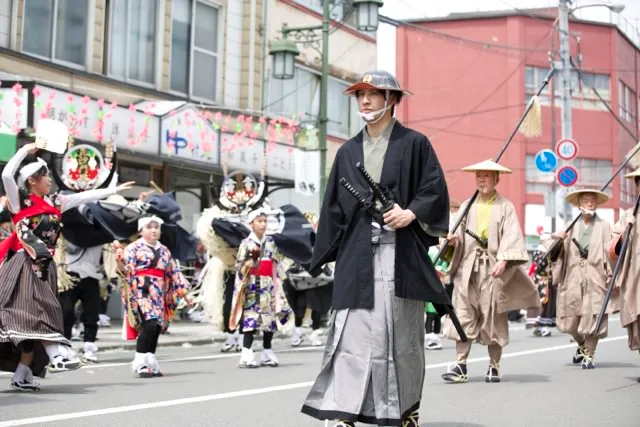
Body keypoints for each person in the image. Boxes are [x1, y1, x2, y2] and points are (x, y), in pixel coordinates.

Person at [301, 70, 451, 427]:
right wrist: (319, 255)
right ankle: (343, 410)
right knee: (349, 331)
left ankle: (404, 408)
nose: (365, 101)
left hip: (400, 253)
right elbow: (333, 207)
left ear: (392, 99)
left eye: (373, 93)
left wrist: (410, 212)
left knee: (398, 335)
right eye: (359, 95)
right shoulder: (347, 151)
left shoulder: (415, 143)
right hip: (356, 252)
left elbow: (434, 189)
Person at [0, 140, 133, 391]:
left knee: (32, 319)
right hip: (23, 265)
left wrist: (112, 189)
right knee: (44, 310)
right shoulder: (20, 203)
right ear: (32, 181)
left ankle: (22, 374)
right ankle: (57, 354)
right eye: (45, 176)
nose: (49, 180)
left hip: (45, 266)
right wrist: (23, 152)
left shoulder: (56, 203)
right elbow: (8, 173)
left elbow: (86, 195)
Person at [441, 159, 539, 384]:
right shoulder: (467, 204)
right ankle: (460, 364)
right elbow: (456, 232)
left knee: (493, 316)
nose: (482, 180)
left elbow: (512, 236)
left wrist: (504, 260)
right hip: (467, 268)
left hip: (492, 269)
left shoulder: (506, 206)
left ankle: (494, 365)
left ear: (497, 179)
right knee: (463, 314)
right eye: (479, 176)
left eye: (487, 176)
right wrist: (452, 240)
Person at [118, 215, 190, 378]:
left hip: (158, 292)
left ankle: (150, 359)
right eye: (149, 227)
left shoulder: (164, 250)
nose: (153, 230)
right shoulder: (133, 248)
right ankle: (140, 360)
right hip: (140, 290)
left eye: (156, 227)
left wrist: (184, 293)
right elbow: (125, 269)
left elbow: (174, 272)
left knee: (157, 326)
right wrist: (120, 261)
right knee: (149, 323)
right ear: (141, 230)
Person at [549, 189, 614, 369]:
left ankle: (589, 355)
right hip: (573, 276)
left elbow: (609, 251)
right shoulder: (570, 226)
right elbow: (558, 253)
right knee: (570, 321)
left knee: (594, 316)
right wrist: (559, 240)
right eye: (585, 200)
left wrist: (610, 273)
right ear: (579, 204)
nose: (589, 203)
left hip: (595, 276)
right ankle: (581, 344)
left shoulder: (604, 226)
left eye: (592, 200)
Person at [230, 208, 291, 368]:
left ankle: (267, 351)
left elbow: (276, 263)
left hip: (268, 286)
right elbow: (238, 267)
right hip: (252, 286)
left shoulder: (270, 242)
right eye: (260, 221)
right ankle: (246, 353)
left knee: (268, 320)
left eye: (265, 221)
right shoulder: (246, 243)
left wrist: (279, 284)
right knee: (250, 320)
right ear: (251, 224)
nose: (263, 224)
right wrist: (247, 265)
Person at [609, 168, 640, 382]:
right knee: (638, 322)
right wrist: (624, 235)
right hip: (635, 278)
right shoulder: (628, 216)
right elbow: (612, 249)